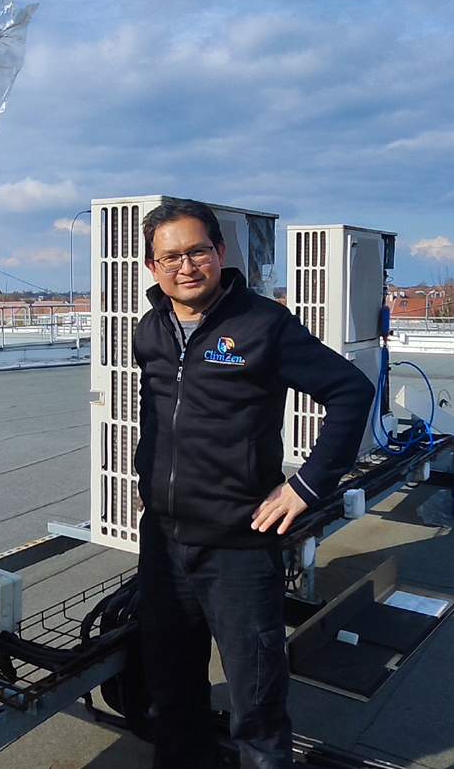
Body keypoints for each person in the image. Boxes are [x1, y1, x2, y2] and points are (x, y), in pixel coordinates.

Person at [133, 200, 376, 768]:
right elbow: (156, 412)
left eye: (197, 251)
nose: (186, 266)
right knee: (172, 701)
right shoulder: (150, 330)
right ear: (152, 266)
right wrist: (148, 472)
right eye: (170, 257)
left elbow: (350, 392)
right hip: (164, 544)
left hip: (238, 549)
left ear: (220, 252)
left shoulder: (262, 324)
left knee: (256, 708)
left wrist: (308, 486)